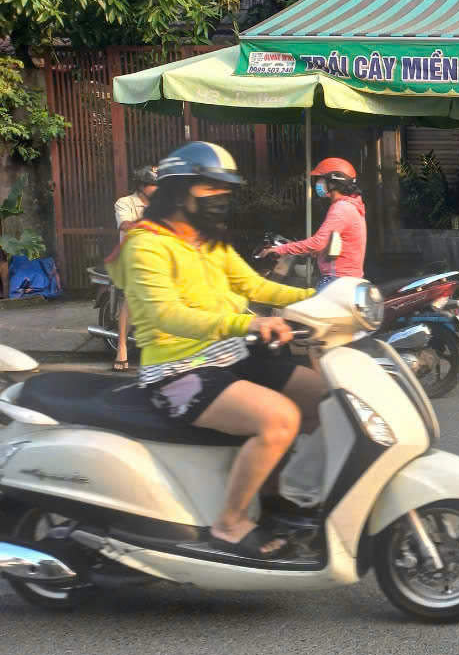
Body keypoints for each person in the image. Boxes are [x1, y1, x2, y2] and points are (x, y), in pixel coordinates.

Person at [107, 142, 326, 559]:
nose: (220, 198)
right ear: (178, 190)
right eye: (209, 188)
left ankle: (273, 498)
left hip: (229, 355)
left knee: (320, 396)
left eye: (224, 189)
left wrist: (321, 299)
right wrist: (248, 322)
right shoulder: (146, 245)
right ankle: (229, 524)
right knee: (281, 419)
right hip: (175, 371)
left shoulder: (208, 244)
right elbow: (167, 313)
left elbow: (255, 286)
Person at [260, 157, 366, 289]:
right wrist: (302, 250)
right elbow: (333, 243)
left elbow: (317, 244)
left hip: (337, 281)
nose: (318, 183)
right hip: (348, 279)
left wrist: (281, 249)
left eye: (321, 179)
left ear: (333, 182)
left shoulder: (342, 209)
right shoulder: (349, 206)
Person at [110, 166, 158, 372]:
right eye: (154, 185)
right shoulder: (125, 203)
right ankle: (121, 348)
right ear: (141, 186)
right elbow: (125, 226)